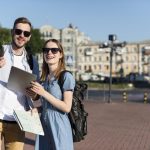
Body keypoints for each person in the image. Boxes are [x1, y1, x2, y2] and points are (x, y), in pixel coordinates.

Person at [27, 39, 75, 150]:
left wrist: (43, 93)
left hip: (59, 126)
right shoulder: (45, 78)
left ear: (61, 54)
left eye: (54, 50)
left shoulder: (66, 76)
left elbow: (67, 107)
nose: (49, 53)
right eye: (46, 50)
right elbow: (47, 105)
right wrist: (37, 109)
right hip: (44, 126)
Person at [0, 17, 39, 150]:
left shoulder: (32, 61)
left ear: (29, 37)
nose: (22, 35)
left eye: (26, 33)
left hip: (17, 120)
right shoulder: (0, 52)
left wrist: (34, 94)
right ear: (12, 32)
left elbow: (36, 94)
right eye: (18, 31)